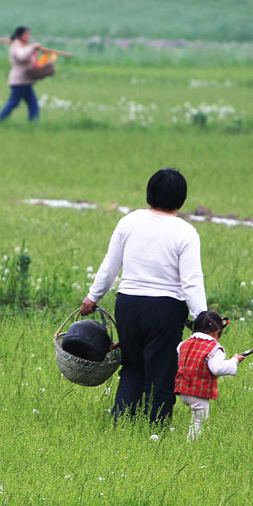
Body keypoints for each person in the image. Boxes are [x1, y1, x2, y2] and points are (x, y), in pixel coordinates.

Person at [80, 168, 207, 424]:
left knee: (132, 366)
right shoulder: (185, 232)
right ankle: (156, 430)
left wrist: (92, 297)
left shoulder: (129, 221)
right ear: (181, 199)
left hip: (128, 305)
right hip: (165, 310)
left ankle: (121, 422)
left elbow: (110, 266)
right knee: (162, 371)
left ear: (149, 194)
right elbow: (191, 281)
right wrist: (202, 319)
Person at [175, 311, 244, 440]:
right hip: (198, 392)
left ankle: (192, 442)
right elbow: (216, 368)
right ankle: (192, 446)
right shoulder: (214, 348)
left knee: (196, 420)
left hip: (183, 389)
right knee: (199, 423)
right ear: (217, 332)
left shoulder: (184, 344)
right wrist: (234, 361)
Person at [0, 26, 41, 122]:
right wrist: (32, 47)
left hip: (26, 81)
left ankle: (34, 123)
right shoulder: (15, 46)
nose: (28, 36)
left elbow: (31, 60)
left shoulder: (25, 46)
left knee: (33, 104)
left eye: (28, 34)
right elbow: (22, 56)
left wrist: (33, 51)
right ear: (19, 35)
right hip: (19, 81)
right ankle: (0, 120)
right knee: (13, 103)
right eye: (25, 34)